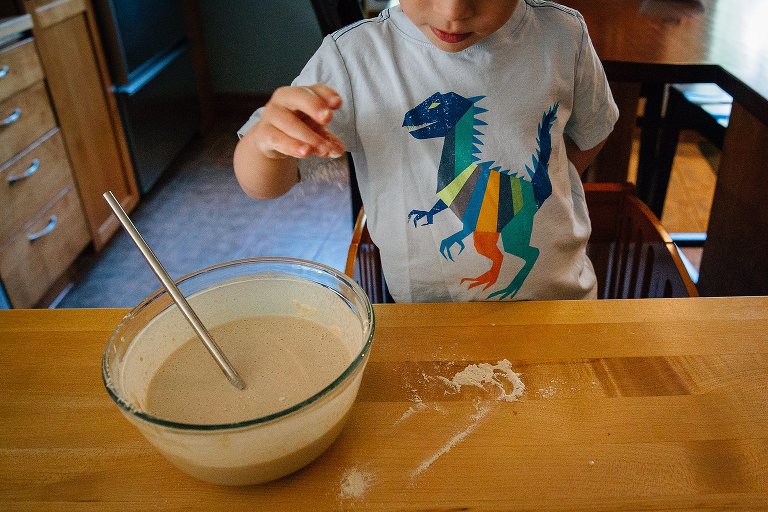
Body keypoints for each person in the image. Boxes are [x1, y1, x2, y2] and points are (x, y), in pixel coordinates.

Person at [234, 0, 619, 302]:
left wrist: (538, 190)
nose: (452, 12)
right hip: (425, 313)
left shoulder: (564, 35)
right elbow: (261, 186)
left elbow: (593, 130)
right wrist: (268, 148)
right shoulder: (353, 58)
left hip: (561, 303)